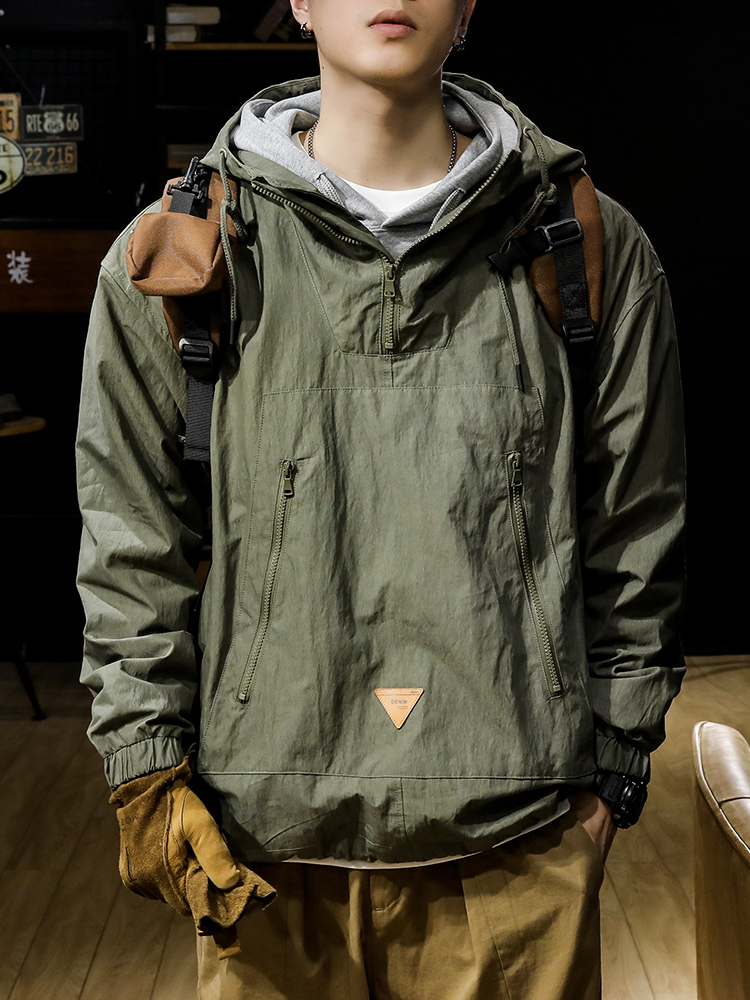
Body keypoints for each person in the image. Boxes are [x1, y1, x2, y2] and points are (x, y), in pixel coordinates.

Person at [75, 1, 687, 997]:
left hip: (519, 844)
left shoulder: (585, 244)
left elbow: (638, 524)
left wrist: (612, 769)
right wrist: (147, 767)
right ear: (299, 2)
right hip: (258, 845)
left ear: (471, 6)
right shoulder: (183, 251)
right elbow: (130, 542)